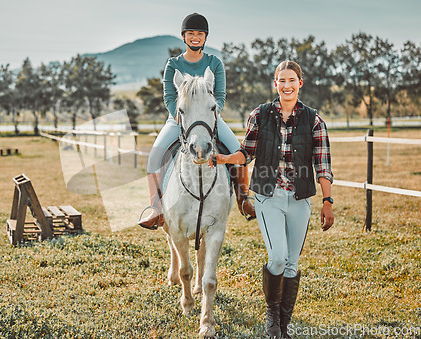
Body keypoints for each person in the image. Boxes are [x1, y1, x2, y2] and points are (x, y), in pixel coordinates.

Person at [209, 60, 334, 339]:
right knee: (277, 258)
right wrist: (225, 159)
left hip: (300, 199)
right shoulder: (260, 115)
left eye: (292, 81)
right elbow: (246, 152)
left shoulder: (314, 120)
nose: (287, 86)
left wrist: (328, 201)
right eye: (282, 81)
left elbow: (322, 164)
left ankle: (283, 324)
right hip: (269, 196)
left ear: (300, 84)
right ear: (275, 84)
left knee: (292, 263)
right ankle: (271, 315)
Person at [138, 12, 255, 230]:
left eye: (199, 33)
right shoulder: (173, 64)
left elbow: (220, 95)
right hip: (179, 120)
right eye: (190, 33)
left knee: (238, 152)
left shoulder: (215, 63)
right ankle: (156, 208)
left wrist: (210, 115)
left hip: (210, 120)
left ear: (205, 37)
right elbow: (169, 97)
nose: (195, 37)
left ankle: (243, 199)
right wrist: (178, 116)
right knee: (154, 157)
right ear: (183, 36)